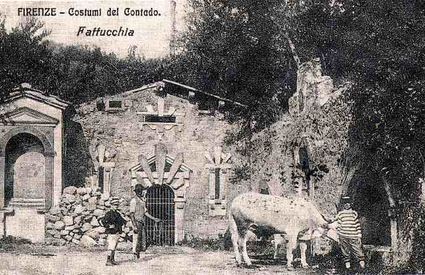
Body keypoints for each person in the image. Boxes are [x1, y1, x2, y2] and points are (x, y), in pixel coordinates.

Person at [130, 184, 161, 260]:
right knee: (136, 238)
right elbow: (131, 214)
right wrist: (134, 226)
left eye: (142, 191)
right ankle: (134, 254)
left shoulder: (142, 201)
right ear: (138, 192)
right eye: (141, 191)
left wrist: (154, 219)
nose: (142, 192)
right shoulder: (134, 201)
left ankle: (137, 254)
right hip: (136, 222)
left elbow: (145, 213)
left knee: (141, 239)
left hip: (142, 222)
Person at [335, 196, 366, 270]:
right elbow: (338, 224)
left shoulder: (354, 213)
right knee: (345, 251)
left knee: (357, 249)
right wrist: (338, 234)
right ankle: (347, 268)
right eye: (345, 203)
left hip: (353, 235)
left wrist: (359, 234)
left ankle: (362, 266)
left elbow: (357, 224)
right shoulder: (340, 214)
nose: (347, 205)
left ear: (350, 204)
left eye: (348, 203)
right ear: (343, 205)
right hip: (343, 235)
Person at [99, 197, 126, 266]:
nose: (116, 206)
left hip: (117, 232)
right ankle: (108, 260)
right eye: (114, 205)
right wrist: (108, 226)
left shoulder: (118, 214)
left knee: (114, 246)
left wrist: (124, 223)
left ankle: (112, 259)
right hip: (111, 232)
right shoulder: (109, 213)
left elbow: (122, 221)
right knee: (111, 247)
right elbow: (103, 221)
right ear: (111, 205)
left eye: (117, 205)